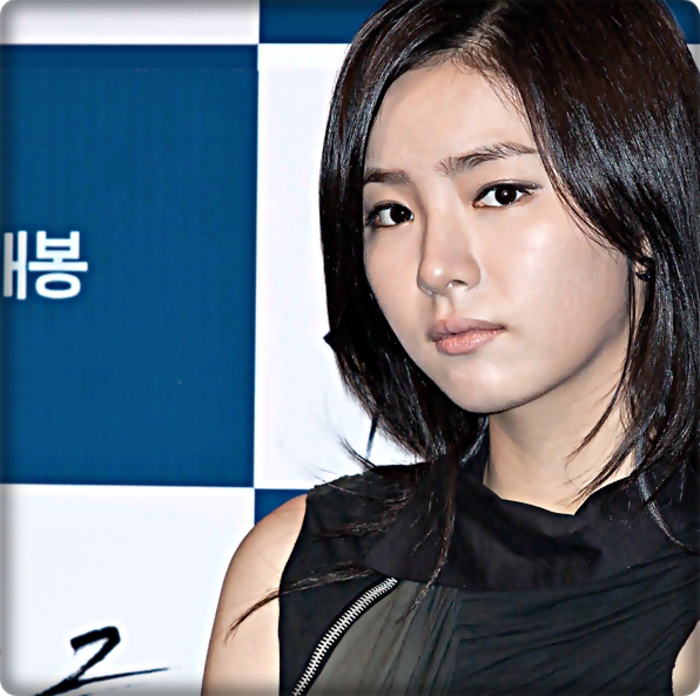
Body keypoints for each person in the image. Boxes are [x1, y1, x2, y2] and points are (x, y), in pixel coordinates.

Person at [202, 0, 700, 693]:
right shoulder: (301, 573)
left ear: (645, 207)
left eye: (500, 193)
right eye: (393, 212)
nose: (436, 267)